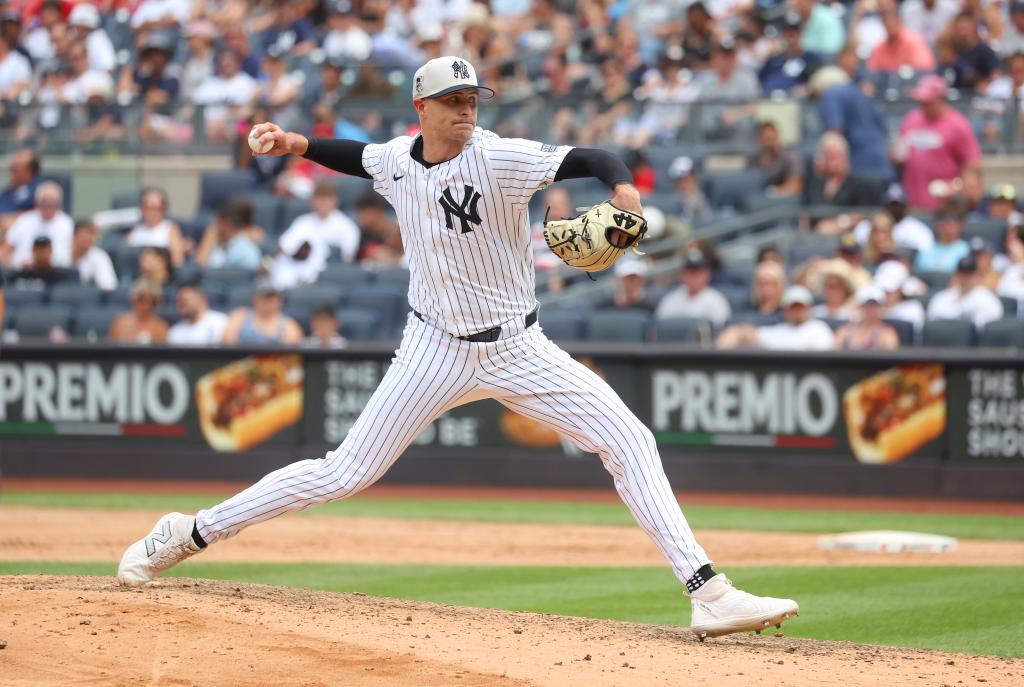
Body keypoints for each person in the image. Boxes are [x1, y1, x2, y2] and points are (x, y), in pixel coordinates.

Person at [117, 54, 799, 640]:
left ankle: (708, 595)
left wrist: (625, 192)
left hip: (519, 346)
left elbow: (592, 158)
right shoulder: (396, 159)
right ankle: (189, 530)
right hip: (432, 348)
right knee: (343, 472)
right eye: (452, 100)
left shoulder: (498, 156)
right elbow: (352, 157)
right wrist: (292, 142)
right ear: (421, 107)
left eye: (472, 99)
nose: (466, 109)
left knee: (630, 440)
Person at [895, 75, 981, 210]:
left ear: (941, 99)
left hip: (944, 208)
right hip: (912, 202)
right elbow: (898, 154)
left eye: (928, 102)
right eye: (921, 101)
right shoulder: (911, 119)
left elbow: (972, 164)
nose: (924, 105)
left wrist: (957, 185)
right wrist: (896, 155)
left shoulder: (958, 124)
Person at [269, 181, 361, 290]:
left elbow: (347, 257)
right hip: (293, 268)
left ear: (335, 201)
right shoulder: (302, 222)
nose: (322, 203)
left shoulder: (346, 226)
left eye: (326, 199)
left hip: (324, 275)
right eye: (319, 198)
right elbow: (283, 246)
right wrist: (268, 262)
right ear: (312, 201)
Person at [810, 66, 892, 180]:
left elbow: (834, 133)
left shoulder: (831, 93)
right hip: (882, 165)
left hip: (858, 166)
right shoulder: (861, 94)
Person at [803, 133, 883, 231]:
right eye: (828, 157)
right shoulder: (815, 184)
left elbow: (865, 214)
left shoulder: (860, 185)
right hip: (815, 239)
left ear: (845, 157)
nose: (831, 163)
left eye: (835, 156)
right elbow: (805, 213)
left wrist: (839, 224)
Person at [716, 285, 835, 350]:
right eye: (793, 307)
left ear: (809, 308)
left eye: (801, 306)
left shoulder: (819, 329)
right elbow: (745, 334)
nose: (797, 311)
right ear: (785, 310)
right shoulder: (779, 330)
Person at [1, 181, 74, 268]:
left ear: (60, 205)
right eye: (45, 204)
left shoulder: (67, 223)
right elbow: (3, 252)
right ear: (37, 203)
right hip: (23, 275)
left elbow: (73, 256)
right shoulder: (23, 221)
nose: (48, 208)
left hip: (57, 275)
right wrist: (17, 265)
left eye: (52, 204)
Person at [852, 183, 934, 254]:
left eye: (898, 206)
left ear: (905, 207)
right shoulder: (867, 225)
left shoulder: (919, 230)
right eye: (891, 205)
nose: (894, 209)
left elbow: (925, 257)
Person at [654, 251, 732, 324]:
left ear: (707, 274)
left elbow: (721, 331)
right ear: (682, 275)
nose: (694, 277)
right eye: (690, 272)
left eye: (698, 272)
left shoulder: (716, 300)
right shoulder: (670, 299)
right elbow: (659, 327)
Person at [927, 255, 1004, 328]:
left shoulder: (988, 300)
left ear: (977, 275)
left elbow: (983, 331)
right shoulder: (941, 298)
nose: (965, 277)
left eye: (969, 273)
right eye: (962, 272)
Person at [221, 280, 303, 345]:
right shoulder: (240, 316)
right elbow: (227, 342)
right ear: (255, 299)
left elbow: (290, 349)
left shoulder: (288, 324)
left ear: (279, 300)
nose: (268, 302)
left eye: (271, 298)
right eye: (264, 298)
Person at [125, 188, 187, 267]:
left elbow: (178, 261)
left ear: (163, 209)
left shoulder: (170, 228)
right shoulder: (135, 230)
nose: (151, 212)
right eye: (147, 207)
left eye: (155, 208)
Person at [866, 2, 935, 73]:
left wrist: (907, 69)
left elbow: (926, 64)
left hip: (911, 81)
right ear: (882, 23)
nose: (889, 23)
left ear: (899, 19)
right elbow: (871, 69)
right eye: (886, 20)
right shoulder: (881, 46)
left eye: (892, 19)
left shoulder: (913, 40)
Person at [834, 285, 901, 350]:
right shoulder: (844, 331)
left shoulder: (888, 334)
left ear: (881, 305)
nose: (870, 308)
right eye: (866, 304)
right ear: (860, 305)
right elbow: (835, 354)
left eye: (874, 304)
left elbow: (890, 356)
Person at [746, 121, 803, 197]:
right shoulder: (753, 160)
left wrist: (774, 192)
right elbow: (748, 185)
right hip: (759, 203)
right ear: (759, 140)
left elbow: (795, 186)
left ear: (777, 136)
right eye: (765, 139)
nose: (769, 143)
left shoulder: (791, 158)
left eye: (771, 138)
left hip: (786, 203)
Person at [914, 199, 970, 272]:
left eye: (952, 218)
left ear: (961, 224)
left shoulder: (967, 251)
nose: (945, 223)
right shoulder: (925, 250)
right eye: (941, 217)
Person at [108, 278, 169, 344]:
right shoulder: (119, 323)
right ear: (133, 299)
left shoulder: (160, 327)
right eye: (141, 300)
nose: (146, 306)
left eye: (152, 302)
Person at [596, 257, 660, 312]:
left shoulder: (651, 305)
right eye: (627, 278)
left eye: (636, 278)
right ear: (617, 278)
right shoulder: (604, 306)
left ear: (642, 280)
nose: (633, 282)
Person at [70, 219, 117, 291]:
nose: (88, 238)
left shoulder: (100, 256)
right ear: (74, 236)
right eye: (84, 233)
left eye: (92, 234)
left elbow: (108, 287)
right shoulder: (59, 253)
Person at [10, 236, 76, 286]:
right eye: (39, 249)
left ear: (51, 250)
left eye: (45, 249)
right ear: (33, 250)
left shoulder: (61, 276)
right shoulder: (23, 275)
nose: (42, 252)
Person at [667, 156, 712, 226]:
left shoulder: (697, 199)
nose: (681, 184)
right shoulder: (677, 200)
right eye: (678, 180)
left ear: (693, 178)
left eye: (685, 179)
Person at [0, 148, 41, 223]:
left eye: (15, 167)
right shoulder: (6, 193)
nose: (10, 170)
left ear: (30, 171)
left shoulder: (40, 193)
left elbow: (40, 216)